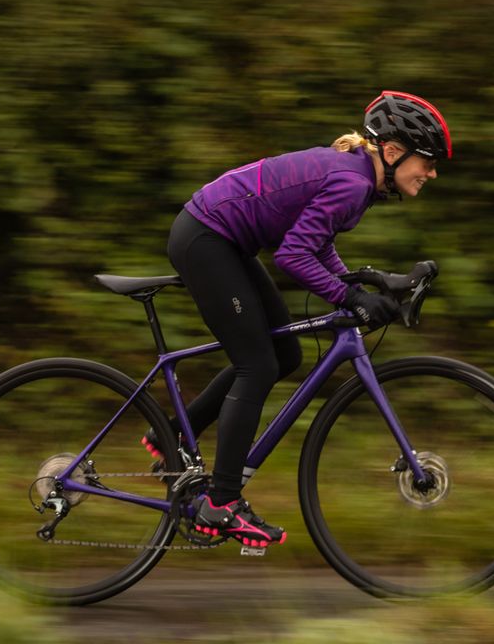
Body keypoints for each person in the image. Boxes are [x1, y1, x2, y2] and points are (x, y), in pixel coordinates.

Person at [142, 91, 452, 547]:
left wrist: (359, 286)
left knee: (284, 353)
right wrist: (348, 295)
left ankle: (170, 434)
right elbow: (292, 255)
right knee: (258, 364)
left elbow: (316, 243)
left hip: (221, 239)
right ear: (392, 151)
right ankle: (221, 504)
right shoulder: (354, 182)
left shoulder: (359, 178)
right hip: (208, 240)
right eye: (426, 160)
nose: (431, 172)